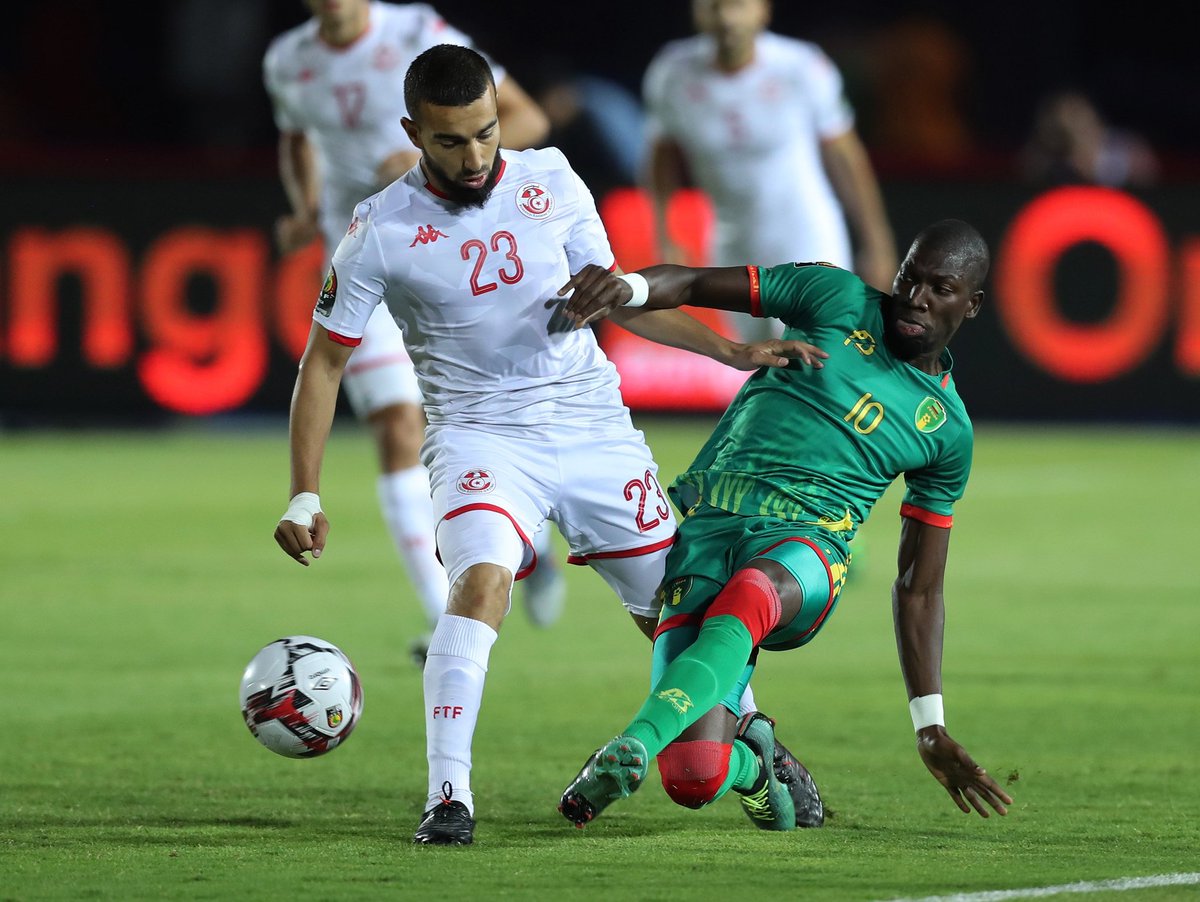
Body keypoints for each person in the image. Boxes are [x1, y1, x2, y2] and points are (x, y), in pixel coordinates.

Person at [272, 44, 827, 846]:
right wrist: (305, 491)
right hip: (478, 437)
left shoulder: (553, 179)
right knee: (482, 583)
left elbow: (620, 298)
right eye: (451, 141)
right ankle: (448, 798)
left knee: (680, 619)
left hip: (592, 426)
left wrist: (730, 351)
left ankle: (755, 747)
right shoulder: (379, 229)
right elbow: (324, 362)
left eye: (487, 133)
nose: (475, 158)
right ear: (412, 133)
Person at [555, 219, 1014, 830]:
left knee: (751, 593)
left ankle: (634, 741)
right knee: (695, 776)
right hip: (712, 528)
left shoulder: (947, 431)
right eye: (910, 279)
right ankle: (756, 767)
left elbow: (920, 587)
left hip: (808, 551)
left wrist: (930, 726)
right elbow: (690, 281)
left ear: (972, 304)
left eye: (941, 288)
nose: (917, 299)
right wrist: (627, 290)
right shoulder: (834, 296)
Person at [262, 0, 560, 665]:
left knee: (495, 430)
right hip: (363, 261)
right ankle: (444, 616)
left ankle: (530, 550)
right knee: (398, 428)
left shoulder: (419, 35)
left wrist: (437, 155)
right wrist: (306, 210)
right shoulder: (288, 61)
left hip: (452, 259)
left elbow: (528, 118)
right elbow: (296, 138)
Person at [643, 0, 897, 344]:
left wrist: (876, 242)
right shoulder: (672, 72)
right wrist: (663, 232)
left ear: (763, 10)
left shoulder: (802, 66)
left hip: (806, 233)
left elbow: (846, 157)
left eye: (738, 6)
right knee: (754, 357)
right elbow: (661, 157)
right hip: (732, 239)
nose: (727, 18)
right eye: (714, 6)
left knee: (817, 351)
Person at [1019, 88, 1160, 188]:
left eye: (1080, 112)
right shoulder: (1052, 161)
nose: (1080, 122)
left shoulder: (1125, 149)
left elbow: (1150, 185)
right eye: (1070, 116)